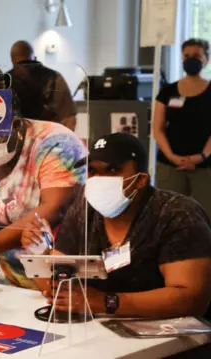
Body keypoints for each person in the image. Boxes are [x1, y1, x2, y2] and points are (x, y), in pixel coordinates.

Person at [23, 132, 211, 317]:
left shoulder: (176, 214)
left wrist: (106, 302)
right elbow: (57, 287)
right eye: (93, 171)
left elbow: (192, 298)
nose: (99, 180)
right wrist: (40, 255)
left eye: (113, 170)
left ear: (140, 180)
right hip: (103, 332)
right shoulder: (84, 209)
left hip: (173, 338)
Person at [0, 64, 87, 289]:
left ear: (17, 125)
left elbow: (53, 208)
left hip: (64, 281)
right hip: (11, 285)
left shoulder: (55, 143)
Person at [154, 38, 211, 216]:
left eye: (196, 55)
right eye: (187, 55)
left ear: (206, 59)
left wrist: (201, 157)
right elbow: (158, 128)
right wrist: (172, 156)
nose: (191, 59)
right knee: (169, 215)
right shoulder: (167, 92)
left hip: (205, 166)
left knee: (205, 217)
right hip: (170, 165)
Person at [7, 40, 77, 131]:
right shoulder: (55, 78)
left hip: (19, 141)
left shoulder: (4, 82)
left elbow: (69, 119)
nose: (24, 69)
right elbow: (70, 120)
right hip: (48, 139)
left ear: (12, 60)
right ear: (33, 57)